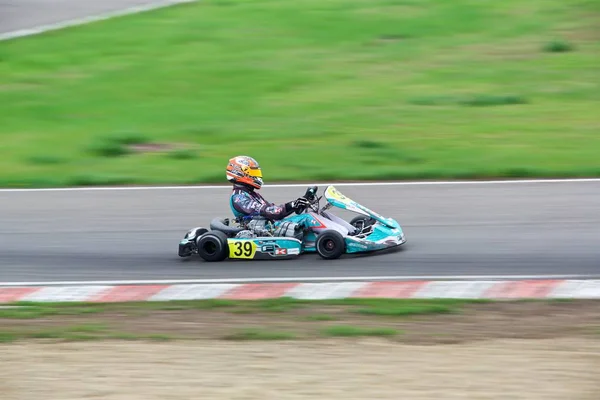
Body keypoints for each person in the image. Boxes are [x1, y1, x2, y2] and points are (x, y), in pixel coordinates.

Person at [226, 155, 310, 223]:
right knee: (307, 219)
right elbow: (269, 211)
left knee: (309, 216)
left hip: (272, 226)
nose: (257, 176)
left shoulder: (252, 194)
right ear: (241, 173)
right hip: (262, 232)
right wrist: (292, 205)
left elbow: (273, 209)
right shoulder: (239, 198)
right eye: (253, 173)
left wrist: (296, 205)